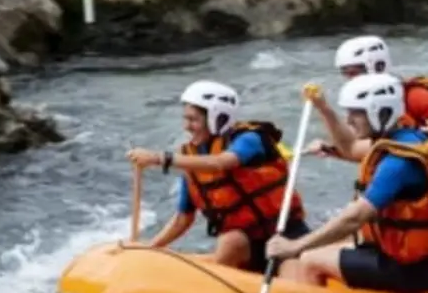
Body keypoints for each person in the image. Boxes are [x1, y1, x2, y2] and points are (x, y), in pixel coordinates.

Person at [267, 73, 428, 293]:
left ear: (380, 112)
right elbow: (349, 147)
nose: (349, 120)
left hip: (408, 272)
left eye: (356, 113)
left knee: (309, 258)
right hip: (420, 261)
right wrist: (324, 108)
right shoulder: (409, 138)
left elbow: (355, 217)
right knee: (327, 246)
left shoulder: (398, 163)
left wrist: (295, 246)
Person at [127, 80, 310, 272]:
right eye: (185, 119)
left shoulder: (249, 139)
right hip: (247, 247)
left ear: (217, 118)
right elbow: (183, 218)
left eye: (193, 120)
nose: (186, 126)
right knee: (230, 240)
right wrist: (150, 248)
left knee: (286, 268)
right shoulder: (192, 159)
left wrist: (159, 158)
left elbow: (221, 162)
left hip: (287, 238)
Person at [306, 34, 428, 161]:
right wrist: (332, 148)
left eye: (353, 73)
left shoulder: (416, 96)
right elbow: (354, 147)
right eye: (345, 74)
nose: (350, 80)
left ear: (378, 66)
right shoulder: (367, 103)